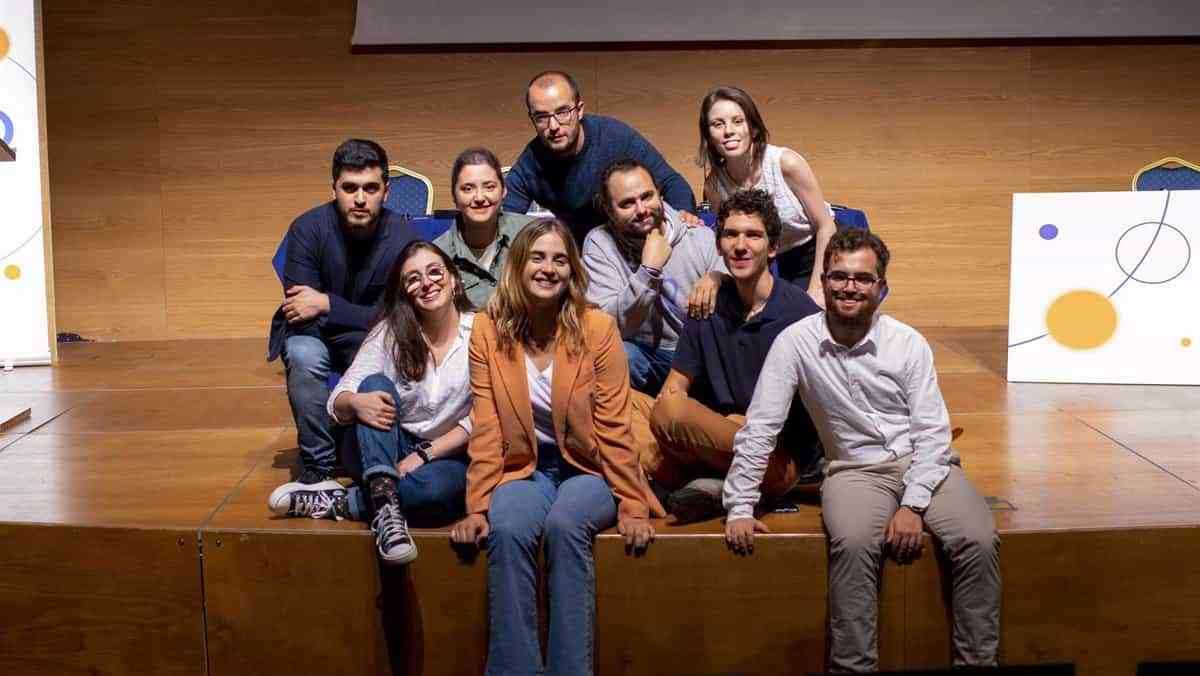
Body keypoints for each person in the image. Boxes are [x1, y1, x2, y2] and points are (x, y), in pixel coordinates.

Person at [723, 229, 1001, 672]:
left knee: (978, 539)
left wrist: (912, 504)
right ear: (824, 281)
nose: (849, 286)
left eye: (862, 278)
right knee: (853, 544)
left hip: (922, 461)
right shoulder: (794, 343)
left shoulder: (907, 342)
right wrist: (740, 505)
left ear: (881, 287)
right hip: (854, 470)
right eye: (838, 276)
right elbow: (760, 429)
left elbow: (932, 432)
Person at [450, 218, 664, 676]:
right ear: (518, 266)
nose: (548, 268)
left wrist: (633, 504)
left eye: (560, 259)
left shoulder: (597, 328)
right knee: (507, 526)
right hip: (523, 467)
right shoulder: (489, 331)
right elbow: (486, 425)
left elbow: (614, 426)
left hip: (589, 467)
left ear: (572, 271)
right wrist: (476, 507)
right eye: (538, 258)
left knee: (567, 526)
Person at [268, 241, 475, 567]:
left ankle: (343, 501)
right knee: (372, 385)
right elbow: (338, 399)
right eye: (413, 279)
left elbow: (483, 416)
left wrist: (424, 455)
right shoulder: (390, 332)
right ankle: (386, 505)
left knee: (443, 490)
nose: (426, 283)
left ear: (454, 280)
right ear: (405, 292)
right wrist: (356, 402)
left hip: (441, 451)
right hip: (380, 443)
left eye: (435, 272)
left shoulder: (480, 334)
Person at [649, 189, 822, 523]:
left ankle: (688, 479)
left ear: (772, 248)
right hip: (717, 437)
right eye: (731, 234)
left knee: (671, 414)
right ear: (719, 246)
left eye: (753, 235)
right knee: (620, 404)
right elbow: (673, 387)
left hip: (775, 457)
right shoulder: (706, 302)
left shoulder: (801, 315)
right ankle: (711, 485)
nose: (740, 245)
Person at [267, 139, 419, 495]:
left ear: (386, 190)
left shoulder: (403, 236)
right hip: (318, 334)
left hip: (375, 338)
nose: (360, 198)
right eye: (349, 188)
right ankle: (317, 469)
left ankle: (371, 455)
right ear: (334, 187)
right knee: (304, 353)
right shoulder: (307, 228)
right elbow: (301, 311)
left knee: (390, 356)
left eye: (371, 188)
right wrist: (357, 316)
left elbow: (399, 318)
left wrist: (328, 305)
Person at [583, 159, 725, 396]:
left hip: (704, 354)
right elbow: (605, 327)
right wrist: (648, 272)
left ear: (659, 193)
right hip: (652, 357)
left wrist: (717, 276)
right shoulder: (599, 245)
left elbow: (737, 276)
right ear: (608, 210)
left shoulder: (696, 234)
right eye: (627, 203)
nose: (641, 210)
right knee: (617, 355)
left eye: (647, 196)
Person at [504, 70, 699, 244]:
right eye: (542, 117)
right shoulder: (530, 162)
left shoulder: (615, 137)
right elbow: (504, 220)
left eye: (563, 112)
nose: (553, 125)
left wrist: (683, 217)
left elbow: (672, 182)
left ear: (579, 110)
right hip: (580, 255)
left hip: (633, 245)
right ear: (532, 119)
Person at [699, 86, 837, 301]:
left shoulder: (786, 163)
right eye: (718, 124)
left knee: (801, 317)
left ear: (753, 128)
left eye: (737, 121)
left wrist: (817, 289)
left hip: (813, 253)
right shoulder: (714, 186)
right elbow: (726, 238)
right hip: (762, 260)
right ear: (709, 135)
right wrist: (715, 276)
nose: (728, 131)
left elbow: (826, 226)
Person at [434, 147, 536, 307]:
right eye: (468, 189)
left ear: (504, 191)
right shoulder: (438, 255)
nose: (479, 197)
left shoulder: (532, 235)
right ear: (454, 196)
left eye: (489, 187)